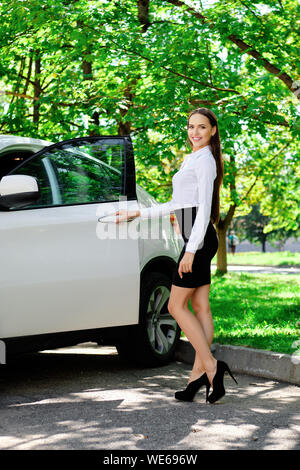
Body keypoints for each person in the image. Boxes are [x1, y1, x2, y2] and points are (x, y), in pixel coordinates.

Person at [113, 108, 237, 404]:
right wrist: (138, 213)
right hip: (197, 236)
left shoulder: (206, 160)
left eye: (202, 127)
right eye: (191, 127)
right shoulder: (193, 158)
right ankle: (197, 379)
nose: (195, 132)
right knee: (200, 307)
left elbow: (203, 209)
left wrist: (190, 251)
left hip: (198, 239)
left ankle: (211, 367)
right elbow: (177, 203)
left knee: (175, 304)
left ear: (213, 131)